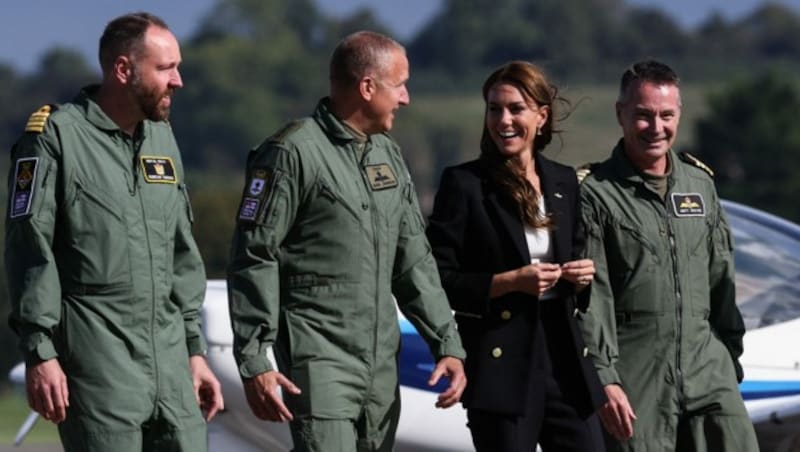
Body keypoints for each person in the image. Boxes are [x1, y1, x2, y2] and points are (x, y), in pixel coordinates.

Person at [226, 30, 467, 452]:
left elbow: (413, 260)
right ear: (367, 86)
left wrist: (446, 342)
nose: (406, 98)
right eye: (400, 85)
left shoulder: (386, 155)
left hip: (379, 369)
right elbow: (254, 256)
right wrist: (254, 359)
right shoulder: (291, 153)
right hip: (319, 362)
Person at [4, 12, 223, 452]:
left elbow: (182, 255)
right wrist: (41, 354)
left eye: (177, 66)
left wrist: (194, 353)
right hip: (99, 367)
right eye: (165, 68)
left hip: (173, 370)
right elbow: (31, 253)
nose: (178, 80)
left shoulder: (163, 139)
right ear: (123, 70)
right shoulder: (55, 138)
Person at [577, 59, 759, 451]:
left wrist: (729, 357)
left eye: (666, 115)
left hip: (709, 368)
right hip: (636, 370)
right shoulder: (595, 193)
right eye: (643, 115)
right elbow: (595, 296)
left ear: (679, 115)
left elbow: (721, 276)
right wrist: (604, 376)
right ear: (620, 114)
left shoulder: (700, 185)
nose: (656, 128)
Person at [425, 60, 607, 451]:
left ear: (541, 117)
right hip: (500, 362)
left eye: (515, 109)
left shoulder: (564, 181)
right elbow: (437, 279)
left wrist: (581, 277)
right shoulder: (464, 184)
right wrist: (510, 282)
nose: (503, 120)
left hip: (564, 358)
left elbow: (576, 263)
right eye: (494, 109)